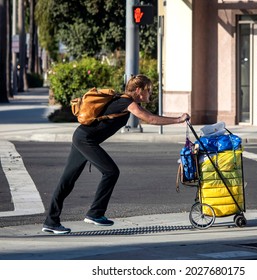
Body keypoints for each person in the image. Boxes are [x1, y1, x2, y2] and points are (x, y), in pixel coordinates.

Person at [42, 74, 190, 234]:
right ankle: (95, 213)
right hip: (85, 140)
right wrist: (178, 120)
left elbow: (151, 116)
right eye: (149, 90)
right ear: (139, 90)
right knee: (110, 172)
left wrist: (175, 119)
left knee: (67, 180)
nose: (150, 94)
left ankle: (51, 221)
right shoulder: (127, 103)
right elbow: (151, 120)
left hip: (82, 137)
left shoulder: (124, 101)